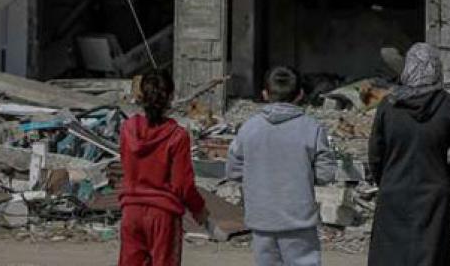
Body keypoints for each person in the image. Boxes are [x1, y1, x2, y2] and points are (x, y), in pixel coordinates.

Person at [367, 43, 450, 266]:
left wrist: (386, 180)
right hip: (434, 196)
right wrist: (446, 183)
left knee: (391, 255)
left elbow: (375, 153)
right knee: (431, 253)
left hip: (394, 192)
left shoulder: (389, 105)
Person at [227, 66, 338, 266]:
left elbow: (233, 171)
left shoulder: (249, 128)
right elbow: (326, 174)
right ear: (300, 95)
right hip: (299, 219)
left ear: (265, 94)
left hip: (261, 219)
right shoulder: (312, 128)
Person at [119, 70, 207, 266]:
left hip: (131, 211)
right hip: (163, 214)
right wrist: (198, 208)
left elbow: (125, 164)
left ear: (140, 95)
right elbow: (182, 184)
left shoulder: (127, 128)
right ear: (170, 97)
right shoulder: (177, 136)